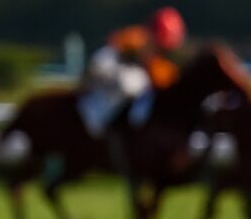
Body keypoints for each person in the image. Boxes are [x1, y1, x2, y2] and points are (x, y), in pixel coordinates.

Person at [77, 7, 187, 138]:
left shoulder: (169, 64)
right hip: (107, 88)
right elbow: (103, 63)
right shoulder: (133, 40)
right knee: (130, 83)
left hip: (131, 89)